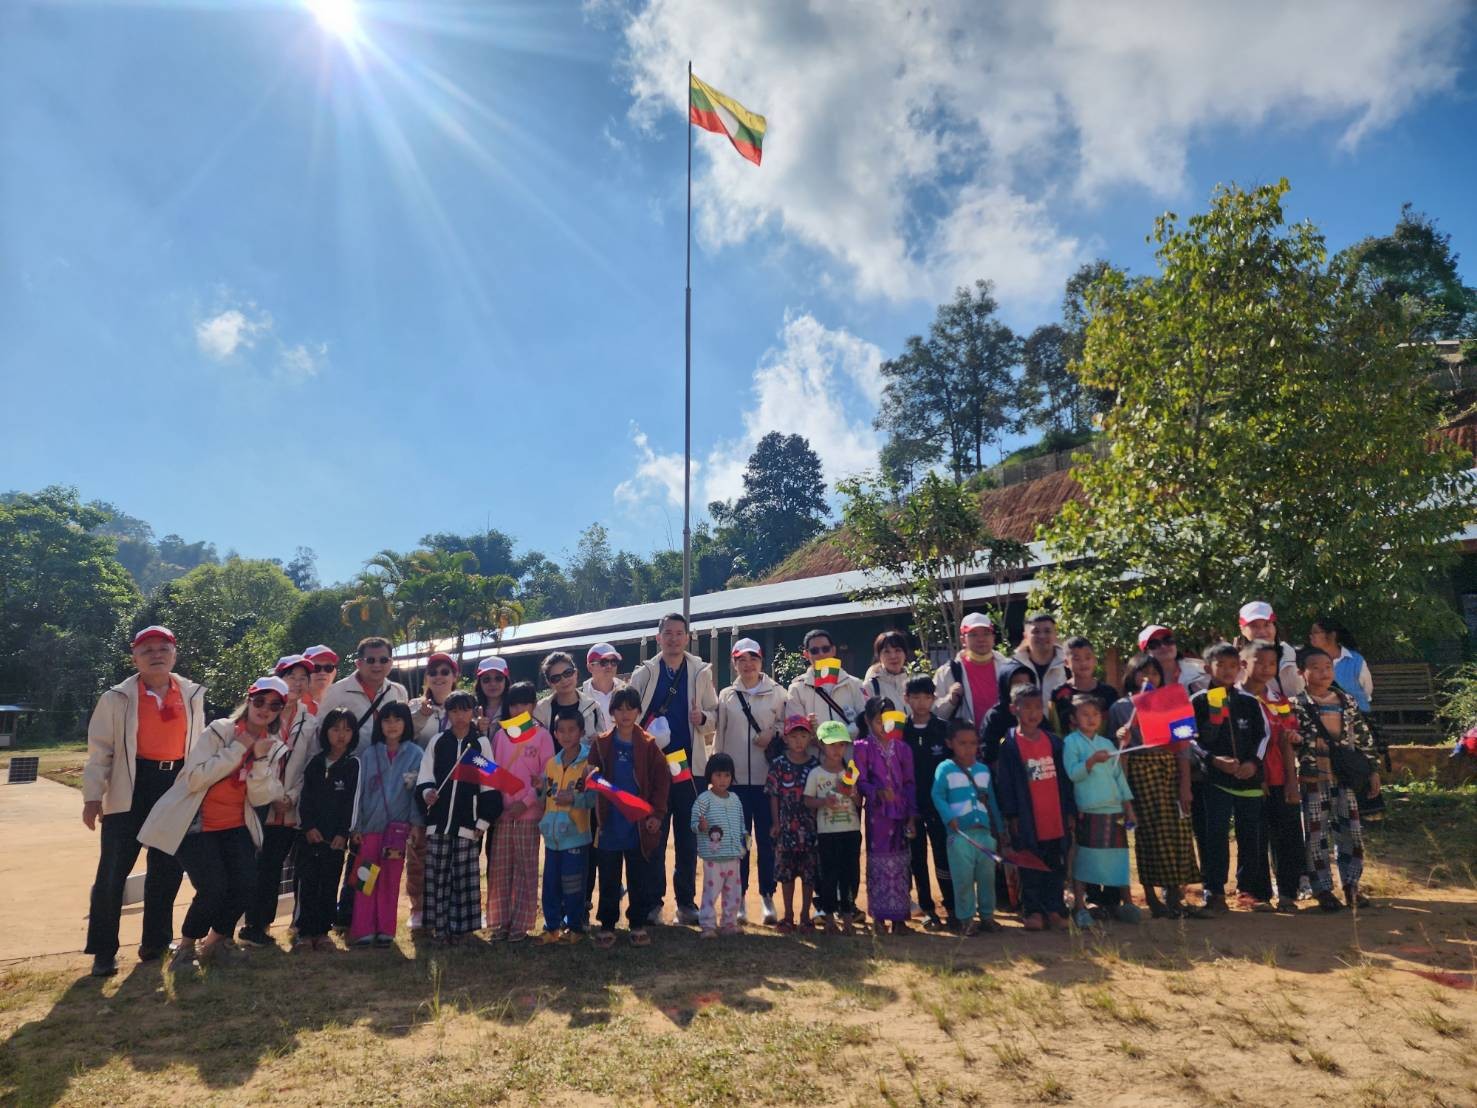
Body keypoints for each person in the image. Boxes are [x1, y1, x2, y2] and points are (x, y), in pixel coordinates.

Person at [137, 676, 290, 972]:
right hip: (196, 823)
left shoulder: (273, 746)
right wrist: (238, 749)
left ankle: (217, 943)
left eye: (275, 705)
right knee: (213, 887)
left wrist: (258, 760)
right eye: (259, 701)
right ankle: (186, 947)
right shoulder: (220, 731)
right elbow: (196, 778)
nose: (265, 709)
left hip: (235, 824)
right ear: (249, 700)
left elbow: (259, 797)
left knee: (246, 884)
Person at [82, 624, 206, 977]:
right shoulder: (116, 697)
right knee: (113, 871)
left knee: (166, 870)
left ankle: (155, 942)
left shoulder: (191, 694)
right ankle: (104, 951)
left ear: (174, 655)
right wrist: (93, 797)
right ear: (134, 657)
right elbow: (100, 750)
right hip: (131, 784)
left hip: (174, 785)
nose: (156, 655)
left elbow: (197, 746)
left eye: (163, 648)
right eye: (147, 649)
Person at [626, 613, 718, 925]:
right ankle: (654, 902)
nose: (674, 639)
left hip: (690, 767)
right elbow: (628, 714)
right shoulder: (646, 673)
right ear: (658, 637)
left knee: (688, 836)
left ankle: (686, 903)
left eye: (680, 633)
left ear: (688, 637)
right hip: (654, 767)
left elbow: (715, 715)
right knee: (654, 832)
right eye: (668, 633)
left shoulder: (701, 672)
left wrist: (702, 719)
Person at [1112, 655, 1203, 920]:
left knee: (1179, 834)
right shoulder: (1121, 707)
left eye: (1153, 673)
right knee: (1150, 835)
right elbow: (1122, 751)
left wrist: (1185, 785)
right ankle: (1151, 897)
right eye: (1142, 673)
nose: (1148, 678)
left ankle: (1176, 896)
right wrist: (1125, 790)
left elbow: (1183, 747)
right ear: (1131, 676)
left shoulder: (1171, 702)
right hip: (1141, 773)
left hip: (1171, 772)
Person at [239, 654, 320, 948]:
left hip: (288, 805)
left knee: (274, 865)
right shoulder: (264, 712)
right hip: (258, 799)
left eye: (303, 679)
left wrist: (291, 796)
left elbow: (310, 763)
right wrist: (272, 795)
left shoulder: (310, 721)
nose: (298, 683)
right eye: (291, 677)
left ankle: (261, 924)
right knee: (251, 864)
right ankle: (244, 924)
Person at [1293, 646, 1380, 912]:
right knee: (1316, 834)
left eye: (1328, 667)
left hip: (1346, 779)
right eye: (1316, 668)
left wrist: (1373, 770)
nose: (1323, 673)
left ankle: (1352, 886)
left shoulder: (1347, 702)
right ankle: (1322, 890)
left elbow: (1364, 739)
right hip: (1312, 779)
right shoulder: (1295, 705)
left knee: (1351, 832)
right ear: (1301, 673)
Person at [1191, 642, 1272, 913]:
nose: (1227, 671)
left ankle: (1248, 890)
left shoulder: (1249, 702)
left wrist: (1253, 763)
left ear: (1240, 668)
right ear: (1207, 668)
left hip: (1248, 781)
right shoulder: (1198, 701)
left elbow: (1264, 736)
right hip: (1214, 781)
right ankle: (1214, 891)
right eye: (1220, 665)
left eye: (1232, 665)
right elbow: (1189, 739)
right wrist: (1214, 760)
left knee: (1250, 835)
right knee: (1215, 836)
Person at [588, 687, 671, 948]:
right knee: (609, 877)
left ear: (638, 711)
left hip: (637, 824)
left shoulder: (648, 745)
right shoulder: (601, 743)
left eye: (630, 708)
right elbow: (590, 776)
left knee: (638, 876)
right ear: (611, 712)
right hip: (610, 821)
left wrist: (656, 814)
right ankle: (607, 923)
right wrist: (590, 778)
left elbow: (661, 782)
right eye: (619, 709)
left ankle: (637, 923)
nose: (625, 714)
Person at [712, 637, 785, 924]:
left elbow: (786, 724)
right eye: (741, 659)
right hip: (737, 782)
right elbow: (720, 735)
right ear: (734, 662)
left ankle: (768, 896)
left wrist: (773, 733)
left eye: (753, 658)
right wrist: (717, 775)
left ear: (761, 660)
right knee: (739, 842)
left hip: (768, 780)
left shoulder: (778, 692)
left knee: (768, 841)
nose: (747, 663)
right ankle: (738, 899)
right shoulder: (727, 695)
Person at [419, 691, 500, 944]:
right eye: (454, 711)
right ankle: (439, 928)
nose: (460, 716)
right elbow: (425, 775)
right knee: (437, 876)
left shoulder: (480, 744)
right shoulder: (438, 742)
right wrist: (426, 792)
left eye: (465, 710)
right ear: (447, 713)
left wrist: (483, 820)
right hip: (439, 823)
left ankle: (462, 928)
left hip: (468, 822)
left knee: (464, 876)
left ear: (474, 712)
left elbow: (490, 783)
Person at [994, 684, 1073, 931]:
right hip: (1028, 820)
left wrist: (1069, 811)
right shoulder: (1009, 744)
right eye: (1026, 707)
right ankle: (1033, 911)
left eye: (1038, 707)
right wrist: (1012, 815)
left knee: (1055, 866)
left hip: (1055, 818)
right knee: (1030, 866)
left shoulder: (1054, 742)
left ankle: (1054, 909)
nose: (1033, 713)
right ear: (1013, 709)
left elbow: (1066, 779)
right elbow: (1004, 782)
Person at [348, 701, 423, 946]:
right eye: (387, 720)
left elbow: (417, 794)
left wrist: (415, 823)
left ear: (406, 723)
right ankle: (363, 930)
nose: (392, 725)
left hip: (397, 832)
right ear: (380, 724)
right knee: (366, 880)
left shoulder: (415, 754)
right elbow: (359, 793)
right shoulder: (369, 754)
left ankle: (386, 930)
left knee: (390, 880)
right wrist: (356, 826)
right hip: (370, 829)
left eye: (397, 720)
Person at [1239, 640, 1306, 913]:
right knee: (1255, 836)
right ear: (1244, 664)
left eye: (1272, 663)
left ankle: (1288, 893)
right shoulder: (1234, 698)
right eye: (1260, 662)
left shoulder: (1279, 700)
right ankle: (1257, 893)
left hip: (1281, 779)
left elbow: (1286, 742)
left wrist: (1292, 781)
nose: (1267, 668)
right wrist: (1257, 777)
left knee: (1287, 836)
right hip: (1250, 780)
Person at [1063, 694, 1139, 928]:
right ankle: (1080, 906)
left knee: (1119, 857)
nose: (1091, 718)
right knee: (1086, 858)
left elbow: (1119, 778)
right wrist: (1091, 761)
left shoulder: (1107, 743)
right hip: (1090, 808)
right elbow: (1072, 774)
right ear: (1074, 719)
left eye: (1095, 714)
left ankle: (1126, 902)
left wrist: (1129, 808)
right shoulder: (1071, 742)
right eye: (1085, 714)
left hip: (1114, 808)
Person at [488, 681, 555, 943]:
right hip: (504, 816)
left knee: (526, 869)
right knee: (501, 869)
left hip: (529, 814)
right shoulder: (499, 736)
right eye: (514, 703)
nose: (518, 709)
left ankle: (521, 922)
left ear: (534, 705)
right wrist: (502, 807)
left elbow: (546, 775)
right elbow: (492, 773)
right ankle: (500, 921)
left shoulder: (542, 735)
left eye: (524, 703)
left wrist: (525, 802)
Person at [293, 707, 360, 951]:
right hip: (310, 836)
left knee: (329, 883)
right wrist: (308, 827)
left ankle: (322, 932)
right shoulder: (315, 763)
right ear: (325, 732)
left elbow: (351, 802)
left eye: (347, 729)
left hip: (336, 839)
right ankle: (303, 931)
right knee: (307, 882)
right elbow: (306, 799)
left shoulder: (353, 765)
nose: (341, 734)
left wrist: (343, 833)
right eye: (335, 728)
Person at [930, 719, 1006, 935]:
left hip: (984, 834)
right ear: (950, 743)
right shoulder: (945, 768)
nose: (968, 748)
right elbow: (937, 794)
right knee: (962, 879)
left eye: (972, 743)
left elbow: (991, 802)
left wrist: (998, 831)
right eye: (962, 743)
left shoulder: (983, 770)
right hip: (959, 835)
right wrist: (948, 817)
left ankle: (987, 916)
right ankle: (965, 919)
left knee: (987, 878)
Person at [405, 651, 460, 931]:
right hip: (419, 788)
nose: (439, 677)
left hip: (453, 790)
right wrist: (419, 717)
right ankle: (418, 907)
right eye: (434, 672)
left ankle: (448, 906)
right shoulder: (414, 705)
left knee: (451, 850)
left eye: (445, 672)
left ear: (455, 677)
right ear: (427, 677)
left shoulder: (463, 705)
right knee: (418, 849)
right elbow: (402, 737)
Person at [854, 697, 917, 934]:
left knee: (901, 863)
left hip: (900, 813)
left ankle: (900, 919)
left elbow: (910, 783)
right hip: (877, 814)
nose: (884, 725)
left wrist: (912, 815)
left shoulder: (903, 748)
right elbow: (860, 781)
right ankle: (879, 918)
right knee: (878, 862)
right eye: (879, 721)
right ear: (869, 721)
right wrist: (877, 792)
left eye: (889, 720)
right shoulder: (862, 747)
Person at [902, 675, 954, 930]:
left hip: (940, 807)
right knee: (917, 859)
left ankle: (952, 906)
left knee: (944, 855)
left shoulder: (944, 729)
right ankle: (927, 909)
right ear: (907, 699)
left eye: (926, 697)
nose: (921, 703)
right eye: (916, 698)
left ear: (934, 699)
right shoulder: (902, 732)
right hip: (912, 808)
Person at [539, 711, 595, 944]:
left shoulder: (588, 764)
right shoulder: (551, 764)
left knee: (573, 885)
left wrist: (574, 799)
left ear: (582, 733)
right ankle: (551, 927)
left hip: (576, 837)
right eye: (561, 730)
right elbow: (546, 796)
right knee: (550, 883)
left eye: (572, 730)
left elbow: (592, 799)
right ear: (555, 734)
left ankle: (575, 927)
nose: (566, 735)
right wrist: (539, 789)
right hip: (552, 839)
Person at [804, 720, 863, 935]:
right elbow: (808, 800)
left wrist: (853, 793)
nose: (837, 749)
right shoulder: (816, 774)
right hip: (827, 834)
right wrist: (823, 802)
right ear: (820, 745)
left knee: (850, 876)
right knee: (828, 876)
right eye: (832, 745)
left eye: (841, 745)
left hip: (851, 831)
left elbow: (858, 803)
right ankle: (829, 919)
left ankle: (847, 918)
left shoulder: (851, 772)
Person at [766, 716, 820, 932]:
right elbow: (773, 795)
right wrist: (776, 823)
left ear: (810, 738)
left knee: (809, 874)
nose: (799, 741)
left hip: (809, 828)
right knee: (786, 874)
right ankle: (788, 915)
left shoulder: (815, 765)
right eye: (794, 736)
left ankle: (805, 915)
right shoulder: (779, 764)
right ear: (786, 738)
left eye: (804, 736)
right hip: (786, 827)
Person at [316, 637, 409, 750]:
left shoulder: (399, 692)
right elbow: (321, 733)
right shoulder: (336, 692)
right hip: (350, 765)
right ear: (358, 663)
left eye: (383, 660)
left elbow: (407, 730)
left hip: (390, 764)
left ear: (391, 663)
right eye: (371, 660)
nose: (377, 665)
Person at [692, 751, 746, 938]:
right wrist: (701, 825)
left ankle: (729, 923)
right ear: (710, 776)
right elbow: (693, 825)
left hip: (733, 855)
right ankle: (707, 925)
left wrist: (744, 841)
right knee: (711, 891)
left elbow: (741, 824)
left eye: (727, 775)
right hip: (713, 857)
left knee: (733, 892)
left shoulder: (736, 799)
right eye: (718, 775)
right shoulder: (703, 800)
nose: (723, 780)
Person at [786, 627, 868, 739]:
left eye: (825, 649)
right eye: (814, 651)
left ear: (833, 650)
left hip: (849, 753)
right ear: (806, 654)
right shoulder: (797, 689)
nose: (821, 654)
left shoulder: (855, 683)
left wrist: (836, 737)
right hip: (816, 753)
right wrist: (807, 725)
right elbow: (795, 732)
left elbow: (865, 721)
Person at [934, 613, 1011, 725]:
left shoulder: (1009, 669)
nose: (981, 639)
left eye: (986, 633)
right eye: (973, 634)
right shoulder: (948, 672)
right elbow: (933, 714)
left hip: (1003, 739)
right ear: (963, 640)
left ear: (993, 638)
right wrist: (950, 701)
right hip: (966, 741)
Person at [1049, 637, 1120, 739]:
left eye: (1088, 658)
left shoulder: (1109, 693)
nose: (1083, 663)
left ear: (1095, 660)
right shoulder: (1058, 694)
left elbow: (1115, 727)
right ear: (1066, 663)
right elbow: (1054, 728)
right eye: (1077, 659)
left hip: (1103, 750)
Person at [533, 651, 609, 738]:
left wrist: (598, 740)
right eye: (556, 678)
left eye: (568, 673)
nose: (564, 680)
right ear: (550, 683)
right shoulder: (539, 710)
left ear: (575, 673)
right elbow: (517, 734)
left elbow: (604, 742)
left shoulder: (593, 707)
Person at [1306, 616, 1373, 713]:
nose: (1311, 636)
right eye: (1311, 633)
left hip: (1357, 716)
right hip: (1321, 717)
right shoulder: (1308, 661)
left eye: (1315, 632)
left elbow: (1367, 690)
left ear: (1332, 635)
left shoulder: (1355, 660)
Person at [1237, 601, 1303, 699]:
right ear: (1242, 630)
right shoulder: (1236, 664)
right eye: (1254, 626)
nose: (1262, 631)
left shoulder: (1295, 654)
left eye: (1267, 624)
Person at [979, 663, 1035, 767]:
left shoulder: (1035, 712)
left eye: (1026, 684)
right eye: (1017, 685)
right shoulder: (995, 716)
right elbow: (989, 753)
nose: (1022, 690)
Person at [1012, 613, 1069, 702]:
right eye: (1036, 632)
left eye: (1047, 631)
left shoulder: (1068, 664)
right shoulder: (1015, 667)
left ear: (1055, 634)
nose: (1042, 636)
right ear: (1026, 636)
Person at [1138, 626, 1209, 693]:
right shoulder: (1142, 683)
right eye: (1154, 644)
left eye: (1167, 640)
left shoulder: (1202, 669)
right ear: (1145, 652)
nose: (1163, 646)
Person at [863, 630, 914, 710]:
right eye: (887, 651)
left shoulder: (913, 685)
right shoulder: (870, 687)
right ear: (879, 656)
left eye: (897, 650)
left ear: (905, 653)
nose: (893, 656)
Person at [581, 643, 627, 723]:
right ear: (590, 667)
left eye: (613, 661)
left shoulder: (627, 691)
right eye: (604, 662)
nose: (609, 666)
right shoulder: (580, 696)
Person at [302, 644, 340, 711]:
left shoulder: (342, 703)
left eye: (328, 668)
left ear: (334, 672)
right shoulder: (291, 703)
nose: (322, 672)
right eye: (315, 668)